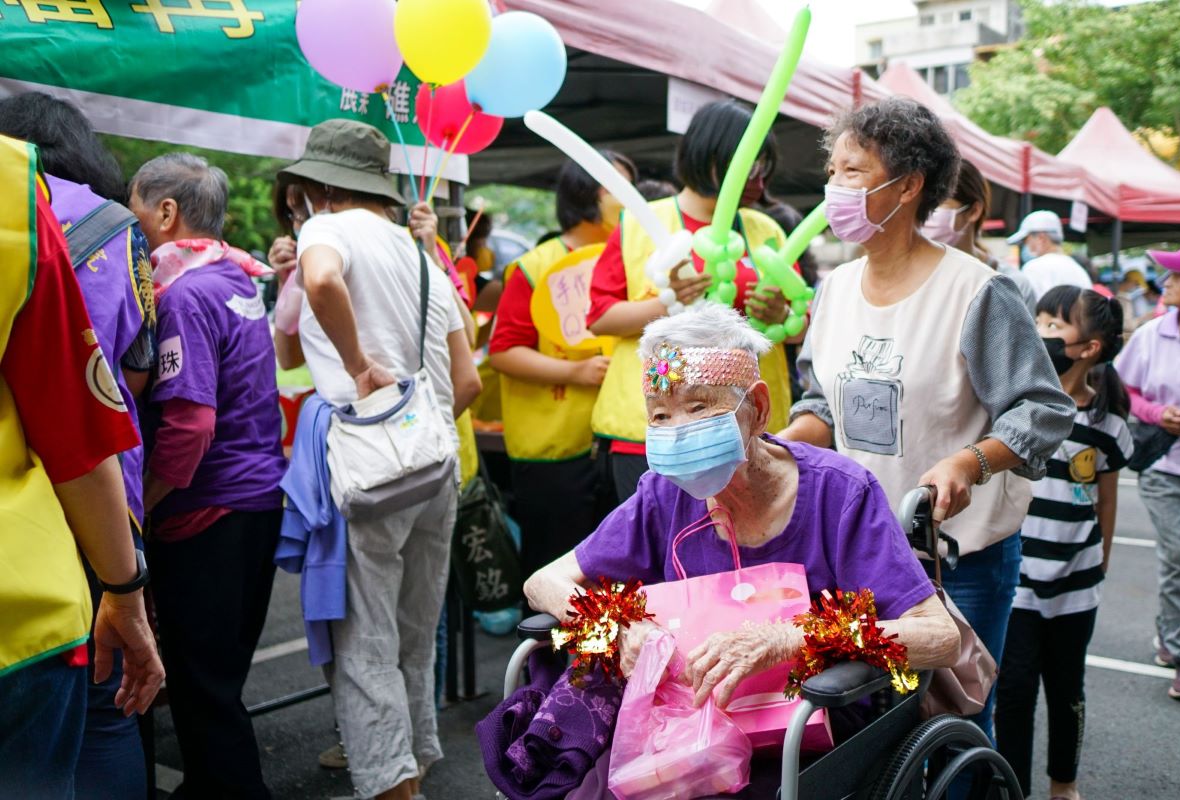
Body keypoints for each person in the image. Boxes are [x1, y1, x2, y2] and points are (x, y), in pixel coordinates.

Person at [780, 97, 1074, 740]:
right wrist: (782, 446)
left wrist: (970, 462)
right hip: (855, 551)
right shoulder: (834, 290)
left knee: (955, 720)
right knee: (868, 726)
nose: (834, 187)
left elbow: (1045, 407)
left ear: (909, 185)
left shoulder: (976, 290)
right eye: (833, 170)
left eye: (853, 171)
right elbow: (823, 401)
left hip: (955, 560)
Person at [524, 304, 959, 722]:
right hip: (688, 724)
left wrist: (787, 639)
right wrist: (615, 629)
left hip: (808, 731)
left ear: (759, 410)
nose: (677, 432)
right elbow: (543, 582)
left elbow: (940, 638)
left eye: (698, 407)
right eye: (660, 414)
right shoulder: (662, 493)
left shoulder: (841, 493)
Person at [275, 119, 481, 800]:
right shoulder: (424, 254)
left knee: (364, 642)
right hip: (436, 464)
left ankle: (393, 785)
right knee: (416, 635)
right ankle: (415, 765)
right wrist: (413, 434)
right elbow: (468, 380)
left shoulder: (324, 230)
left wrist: (362, 369)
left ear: (321, 188)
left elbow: (325, 282)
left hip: (367, 466)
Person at [0, 91, 156, 799]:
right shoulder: (33, 200)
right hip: (42, 559)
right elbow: (126, 375)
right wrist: (126, 591)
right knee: (105, 704)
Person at [129, 152, 287, 799]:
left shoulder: (186, 295)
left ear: (165, 213)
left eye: (135, 214)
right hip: (256, 502)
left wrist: (138, 504)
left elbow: (190, 427)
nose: (130, 229)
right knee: (217, 681)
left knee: (203, 692)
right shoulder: (236, 276)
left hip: (208, 514)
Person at [588, 99, 797, 502]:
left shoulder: (765, 230)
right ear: (709, 155)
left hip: (745, 432)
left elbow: (801, 324)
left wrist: (782, 316)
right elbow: (600, 316)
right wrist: (665, 306)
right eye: (750, 164)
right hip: (655, 431)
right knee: (658, 557)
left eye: (764, 167)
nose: (759, 179)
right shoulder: (640, 223)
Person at [995, 287, 1133, 799]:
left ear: (1089, 348)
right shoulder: (1018, 409)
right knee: (1012, 690)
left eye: (1055, 325)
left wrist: (1101, 565)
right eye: (1040, 321)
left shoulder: (1107, 425)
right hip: (1021, 578)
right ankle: (1010, 787)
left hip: (1077, 582)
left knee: (1066, 688)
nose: (1041, 331)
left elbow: (1108, 501)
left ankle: (1063, 786)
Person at [490, 153, 636, 581]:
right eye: (616, 187)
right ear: (586, 194)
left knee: (614, 578)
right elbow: (502, 350)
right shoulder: (536, 266)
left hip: (615, 447)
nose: (630, 199)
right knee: (553, 580)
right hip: (553, 453)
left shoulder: (632, 261)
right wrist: (574, 373)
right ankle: (545, 653)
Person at [1115, 242, 1180, 704]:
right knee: (1179, 558)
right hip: (1163, 464)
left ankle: (1174, 632)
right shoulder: (1151, 335)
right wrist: (1155, 412)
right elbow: (1123, 390)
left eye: (1175, 277)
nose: (1164, 284)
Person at [920, 159, 1038, 315]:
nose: (927, 215)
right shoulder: (907, 279)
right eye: (923, 205)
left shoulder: (1012, 284)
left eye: (938, 205)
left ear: (974, 211)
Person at [1008, 210, 1092, 299]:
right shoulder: (1079, 270)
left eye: (1026, 241)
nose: (1025, 247)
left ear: (1041, 238)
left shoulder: (1034, 268)